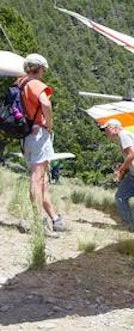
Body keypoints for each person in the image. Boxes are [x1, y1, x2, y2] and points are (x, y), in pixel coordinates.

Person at [20, 54, 65, 237]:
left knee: (43, 178)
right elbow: (45, 103)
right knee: (38, 179)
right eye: (43, 70)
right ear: (39, 68)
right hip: (39, 133)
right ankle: (39, 224)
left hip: (27, 135)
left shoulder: (20, 83)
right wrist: (49, 122)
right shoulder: (36, 84)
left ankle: (54, 218)